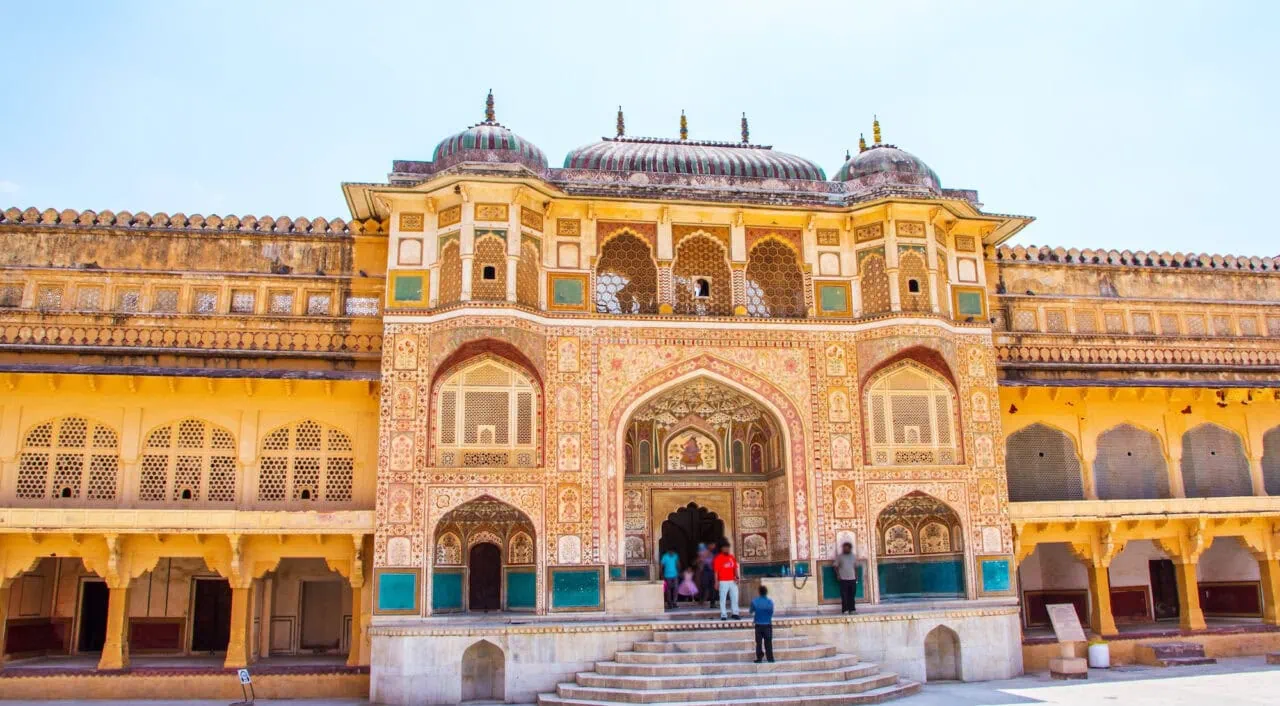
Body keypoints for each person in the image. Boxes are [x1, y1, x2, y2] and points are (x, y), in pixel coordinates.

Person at [712, 540, 741, 620]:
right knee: (723, 598)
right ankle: (723, 614)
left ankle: (735, 613)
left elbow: (735, 568)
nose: (727, 549)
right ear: (722, 549)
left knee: (735, 597)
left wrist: (737, 577)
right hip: (723, 581)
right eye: (725, 548)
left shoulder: (731, 557)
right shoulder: (718, 558)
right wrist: (716, 582)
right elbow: (716, 571)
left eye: (728, 548)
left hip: (732, 581)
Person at [750, 585, 775, 663]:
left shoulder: (754, 601)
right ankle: (770, 658)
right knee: (768, 642)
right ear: (766, 592)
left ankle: (759, 658)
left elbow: (751, 611)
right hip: (767, 624)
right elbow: (771, 612)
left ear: (759, 592)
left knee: (759, 643)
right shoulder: (770, 602)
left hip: (758, 625)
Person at [832, 541, 858, 614]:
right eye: (844, 548)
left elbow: (855, 567)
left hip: (852, 579)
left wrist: (856, 575)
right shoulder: (840, 556)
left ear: (850, 548)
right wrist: (838, 575)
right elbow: (835, 566)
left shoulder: (853, 556)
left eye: (846, 548)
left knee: (852, 595)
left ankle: (852, 609)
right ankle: (845, 610)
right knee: (844, 596)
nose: (845, 549)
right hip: (843, 579)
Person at [696, 543, 716, 608]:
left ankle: (712, 603)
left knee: (712, 588)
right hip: (705, 572)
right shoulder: (703, 553)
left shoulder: (714, 553)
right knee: (704, 587)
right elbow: (698, 562)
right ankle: (702, 600)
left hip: (712, 572)